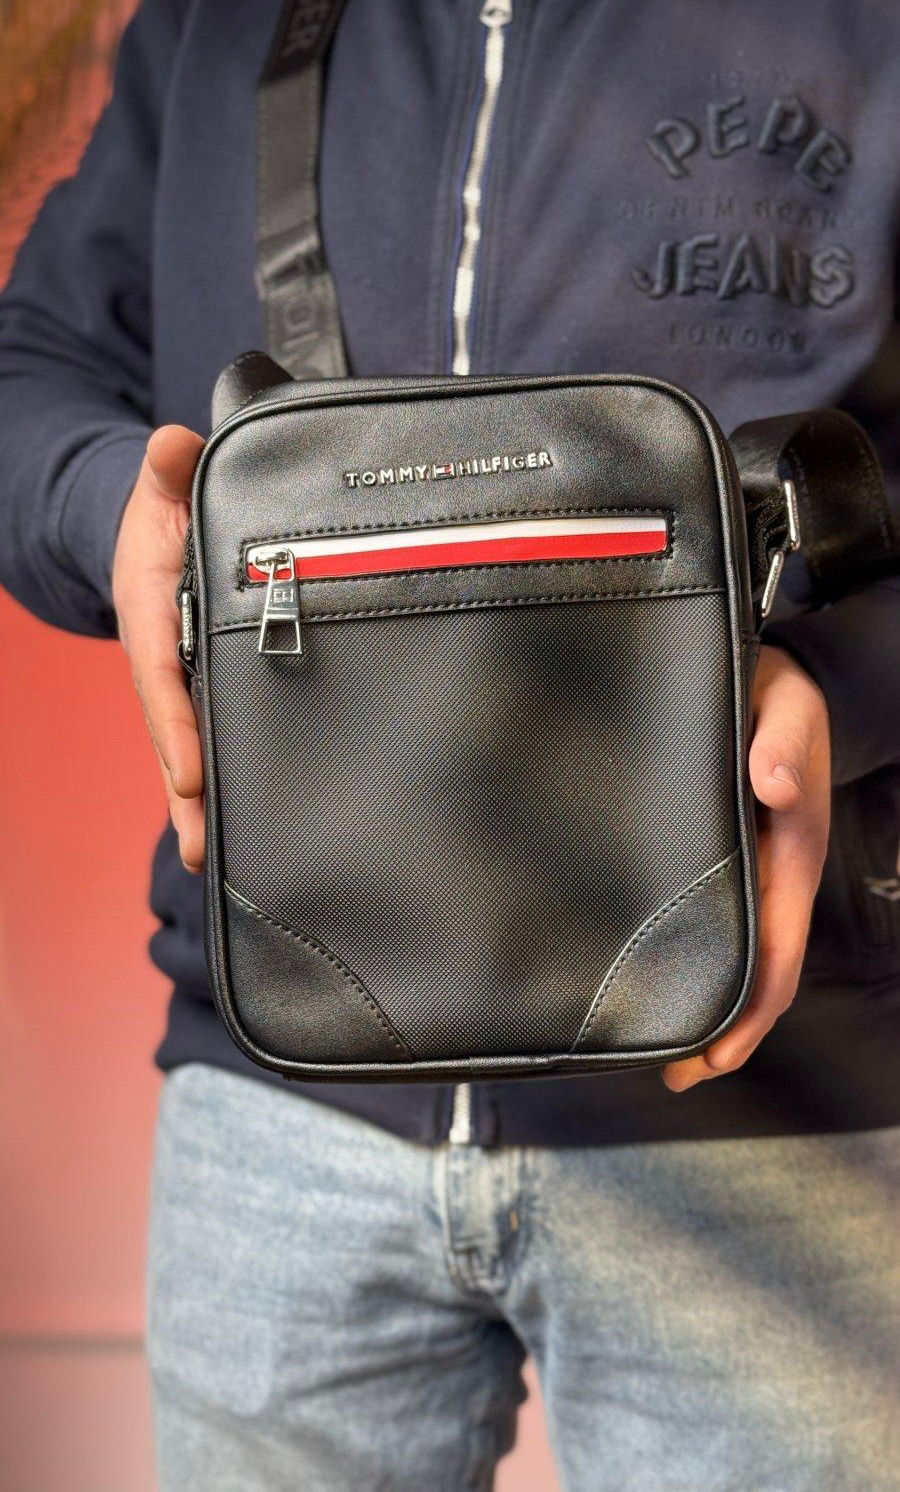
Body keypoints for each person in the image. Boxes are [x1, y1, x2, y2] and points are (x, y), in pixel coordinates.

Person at [1, 2, 898, 1487]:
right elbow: (32, 362)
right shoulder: (220, 23)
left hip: (760, 1106)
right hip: (281, 1098)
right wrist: (120, 516)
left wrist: (838, 685)